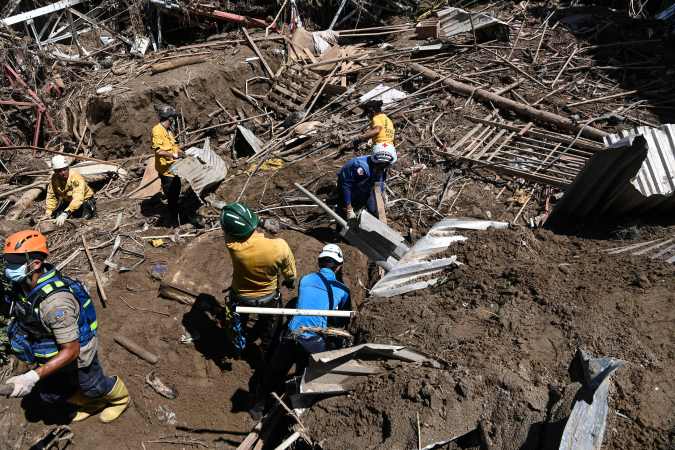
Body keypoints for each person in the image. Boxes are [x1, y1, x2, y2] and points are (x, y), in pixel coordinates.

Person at [2, 230, 129, 423]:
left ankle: (120, 399)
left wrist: (31, 377)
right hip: (50, 350)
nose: (9, 267)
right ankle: (92, 403)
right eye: (8, 260)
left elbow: (72, 350)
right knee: (51, 393)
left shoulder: (56, 304)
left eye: (14, 262)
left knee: (92, 385)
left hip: (76, 353)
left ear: (35, 264)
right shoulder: (24, 285)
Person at [251, 244, 350, 418]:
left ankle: (257, 408)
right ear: (339, 266)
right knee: (305, 376)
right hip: (314, 341)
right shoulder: (343, 291)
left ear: (319, 263)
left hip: (292, 335)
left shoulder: (305, 280)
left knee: (274, 373)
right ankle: (297, 411)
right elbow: (340, 321)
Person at [220, 203, 297, 357]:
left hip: (241, 296)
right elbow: (291, 275)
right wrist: (290, 281)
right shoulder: (279, 246)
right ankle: (266, 351)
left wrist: (259, 222)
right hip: (268, 297)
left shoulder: (232, 245)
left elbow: (229, 229)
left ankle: (238, 348)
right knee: (271, 326)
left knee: (237, 324)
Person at [337, 144, 397, 220]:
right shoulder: (362, 169)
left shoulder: (382, 166)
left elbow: (380, 180)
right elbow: (346, 186)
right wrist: (349, 208)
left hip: (365, 184)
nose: (386, 166)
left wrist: (382, 194)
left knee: (372, 207)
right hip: (350, 183)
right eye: (383, 165)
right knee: (345, 207)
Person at [152, 104, 184, 224]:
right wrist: (174, 155)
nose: (174, 120)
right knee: (172, 196)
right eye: (173, 118)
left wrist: (182, 153)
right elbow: (159, 150)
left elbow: (173, 146)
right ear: (170, 118)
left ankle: (177, 213)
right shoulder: (157, 130)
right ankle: (174, 220)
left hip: (174, 168)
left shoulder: (168, 131)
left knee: (177, 191)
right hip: (166, 171)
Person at [44, 155, 96, 227]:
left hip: (84, 202)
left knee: (83, 220)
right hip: (68, 202)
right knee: (56, 217)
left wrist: (66, 213)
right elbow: (51, 195)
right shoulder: (54, 179)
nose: (63, 173)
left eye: (64, 169)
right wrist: (48, 212)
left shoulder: (76, 177)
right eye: (59, 171)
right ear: (55, 171)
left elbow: (78, 198)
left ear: (68, 168)